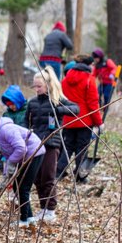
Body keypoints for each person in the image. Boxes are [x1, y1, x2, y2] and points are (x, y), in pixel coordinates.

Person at [25, 67, 79, 224]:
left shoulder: (57, 100)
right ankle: (43, 208)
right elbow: (25, 120)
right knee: (37, 178)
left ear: (48, 85)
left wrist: (59, 109)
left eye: (39, 86)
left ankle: (50, 210)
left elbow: (76, 109)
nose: (36, 89)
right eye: (34, 86)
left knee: (48, 176)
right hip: (34, 145)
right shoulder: (32, 103)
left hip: (51, 144)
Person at [0, 117, 46, 226]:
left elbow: (21, 148)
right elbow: (8, 154)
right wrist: (6, 174)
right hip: (27, 156)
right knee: (19, 187)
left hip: (34, 153)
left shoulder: (6, 130)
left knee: (23, 187)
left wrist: (12, 163)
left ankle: (24, 220)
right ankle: (29, 218)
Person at [60, 54, 102, 182]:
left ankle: (57, 172)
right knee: (82, 149)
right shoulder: (89, 80)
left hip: (68, 119)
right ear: (88, 65)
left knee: (66, 147)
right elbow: (93, 103)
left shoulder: (65, 79)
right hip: (84, 120)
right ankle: (80, 176)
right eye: (93, 65)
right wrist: (99, 122)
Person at [92, 49, 118, 120]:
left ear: (100, 57)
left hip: (109, 83)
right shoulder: (97, 65)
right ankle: (99, 109)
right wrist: (90, 81)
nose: (96, 59)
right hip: (102, 83)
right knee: (97, 95)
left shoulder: (107, 62)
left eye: (96, 57)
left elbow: (114, 68)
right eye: (95, 58)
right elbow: (94, 75)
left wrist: (112, 74)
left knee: (107, 96)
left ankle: (106, 110)